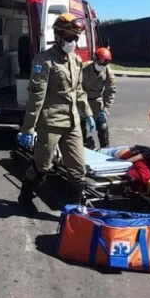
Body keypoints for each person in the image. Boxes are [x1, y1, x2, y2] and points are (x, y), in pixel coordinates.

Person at [17, 13, 96, 214]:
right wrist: (28, 128)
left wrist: (88, 113)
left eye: (76, 38)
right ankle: (25, 195)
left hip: (72, 123)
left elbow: (78, 91)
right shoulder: (44, 61)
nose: (73, 42)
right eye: (69, 38)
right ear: (58, 36)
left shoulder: (76, 60)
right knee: (42, 165)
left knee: (78, 169)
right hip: (51, 123)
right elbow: (36, 98)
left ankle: (74, 210)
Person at [80, 47, 117, 149]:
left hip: (96, 101)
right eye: (100, 61)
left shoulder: (108, 72)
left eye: (105, 62)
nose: (102, 64)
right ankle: (82, 147)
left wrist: (105, 110)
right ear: (95, 59)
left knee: (102, 126)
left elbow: (110, 91)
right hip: (82, 101)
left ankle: (105, 150)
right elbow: (77, 87)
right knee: (79, 128)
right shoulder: (84, 68)